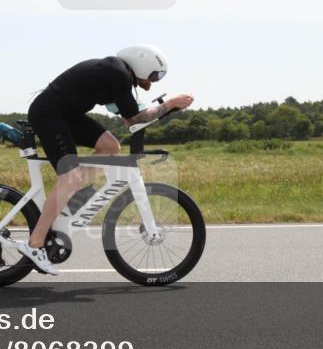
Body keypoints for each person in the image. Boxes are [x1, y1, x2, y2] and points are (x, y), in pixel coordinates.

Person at [16, 44, 195, 274]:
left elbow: (133, 120)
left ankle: (74, 195)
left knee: (110, 146)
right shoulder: (117, 73)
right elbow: (135, 119)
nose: (151, 82)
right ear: (142, 63)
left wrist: (168, 108)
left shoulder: (118, 74)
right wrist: (169, 104)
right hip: (49, 113)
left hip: (66, 114)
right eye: (153, 75)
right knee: (69, 177)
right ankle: (35, 244)